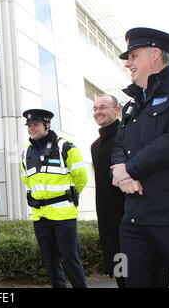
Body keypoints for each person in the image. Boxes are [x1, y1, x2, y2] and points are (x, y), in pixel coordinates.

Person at [112, 27, 169, 287]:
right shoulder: (132, 104)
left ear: (155, 54)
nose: (128, 63)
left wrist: (132, 169)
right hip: (135, 220)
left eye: (134, 56)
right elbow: (118, 143)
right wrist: (118, 170)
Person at [20, 108, 87, 288]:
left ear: (47, 125)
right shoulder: (26, 152)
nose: (31, 128)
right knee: (51, 263)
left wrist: (68, 197)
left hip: (64, 216)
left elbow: (81, 178)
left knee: (71, 260)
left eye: (35, 125)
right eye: (29, 125)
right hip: (40, 216)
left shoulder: (66, 147)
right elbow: (27, 179)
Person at [90, 94, 125, 288]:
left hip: (130, 218)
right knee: (121, 271)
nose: (97, 112)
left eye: (103, 107)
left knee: (139, 273)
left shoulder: (127, 135)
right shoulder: (95, 146)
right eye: (94, 108)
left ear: (117, 110)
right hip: (109, 224)